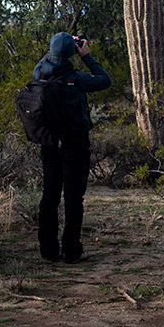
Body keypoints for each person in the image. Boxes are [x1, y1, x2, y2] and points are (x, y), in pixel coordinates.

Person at [33, 31, 111, 263]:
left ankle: (48, 251)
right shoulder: (76, 78)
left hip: (48, 142)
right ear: (71, 53)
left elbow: (47, 59)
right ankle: (72, 251)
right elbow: (104, 80)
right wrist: (86, 55)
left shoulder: (40, 73)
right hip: (75, 143)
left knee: (49, 196)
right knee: (73, 198)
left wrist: (61, 46)